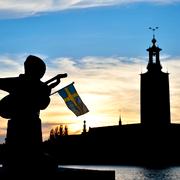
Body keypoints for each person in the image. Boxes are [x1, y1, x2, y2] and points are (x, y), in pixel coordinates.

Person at [0, 55, 65, 174]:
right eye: (41, 72)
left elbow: (42, 104)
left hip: (26, 122)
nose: (41, 76)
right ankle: (28, 157)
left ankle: (25, 156)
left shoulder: (24, 83)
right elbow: (42, 104)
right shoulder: (20, 83)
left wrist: (46, 91)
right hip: (27, 123)